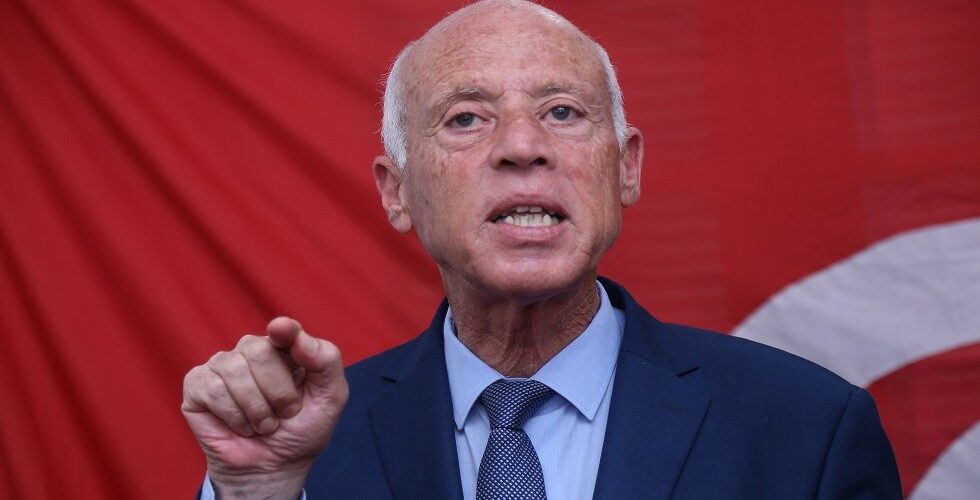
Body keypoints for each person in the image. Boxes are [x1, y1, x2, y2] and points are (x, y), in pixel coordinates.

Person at [181, 1, 903, 498]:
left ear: (626, 168)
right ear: (397, 192)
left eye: (562, 111)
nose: (522, 146)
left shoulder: (808, 429)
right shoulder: (306, 446)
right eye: (467, 119)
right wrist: (255, 494)